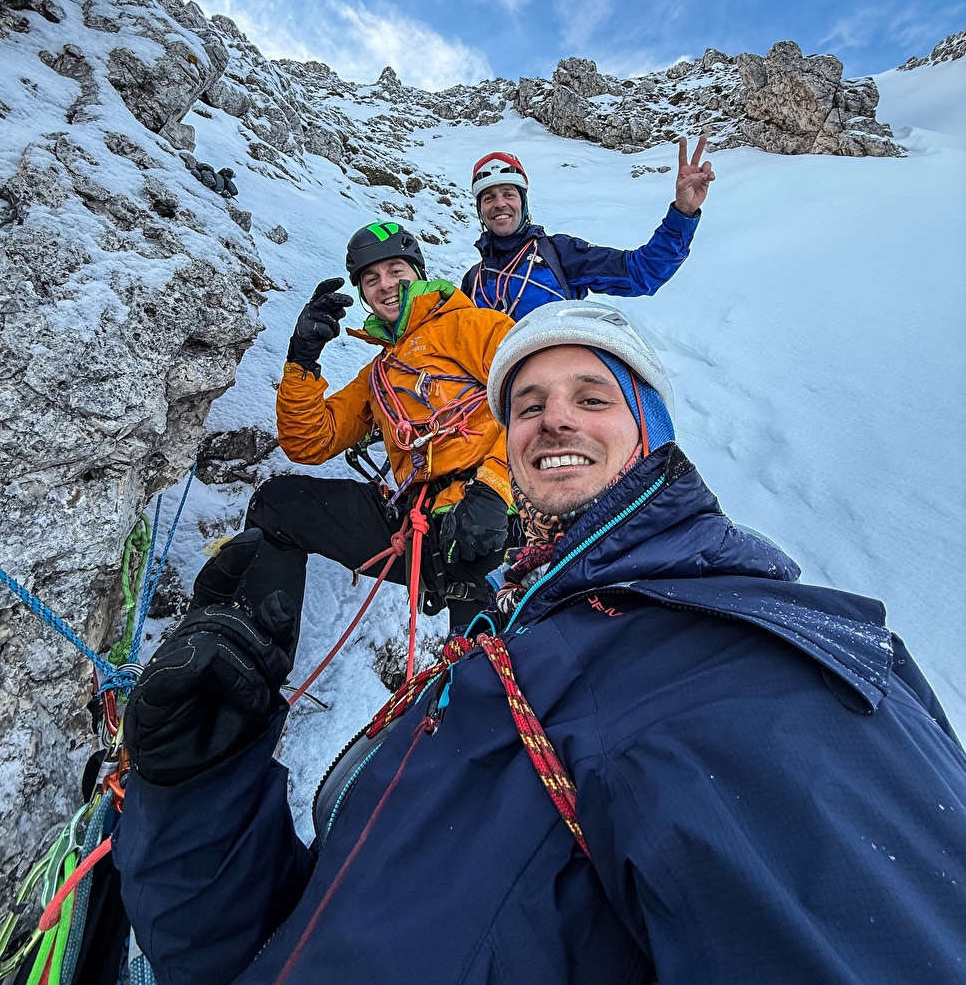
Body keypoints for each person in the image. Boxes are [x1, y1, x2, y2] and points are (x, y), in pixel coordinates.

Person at [114, 302, 966, 985]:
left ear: (653, 434)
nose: (553, 416)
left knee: (467, 588)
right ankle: (237, 656)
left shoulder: (752, 663)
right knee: (285, 512)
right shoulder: (508, 670)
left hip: (468, 518)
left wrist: (482, 487)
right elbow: (308, 937)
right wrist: (200, 787)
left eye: (592, 399)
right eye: (531, 405)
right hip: (446, 537)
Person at [239, 219, 515, 632]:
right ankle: (248, 666)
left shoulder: (474, 326)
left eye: (395, 272)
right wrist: (302, 359)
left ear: (418, 274)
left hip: (491, 516)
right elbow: (311, 442)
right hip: (418, 524)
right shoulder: (379, 375)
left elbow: (537, 400)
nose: (384, 285)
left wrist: (496, 488)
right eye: (371, 279)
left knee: (484, 664)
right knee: (278, 505)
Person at [461, 139, 714, 318]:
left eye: (508, 194)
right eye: (489, 198)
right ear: (481, 210)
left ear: (523, 204)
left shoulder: (558, 252)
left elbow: (642, 273)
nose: (500, 204)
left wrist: (683, 213)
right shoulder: (474, 280)